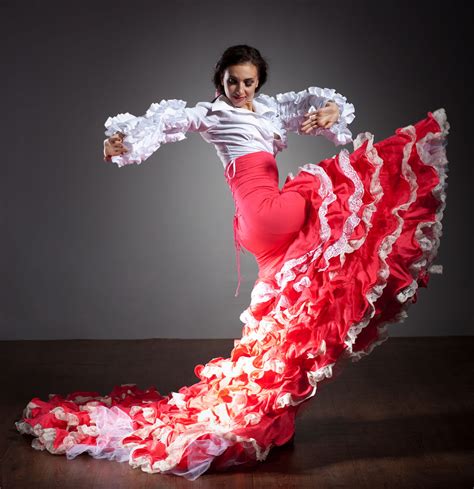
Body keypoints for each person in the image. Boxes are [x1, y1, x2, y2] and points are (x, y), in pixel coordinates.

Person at [15, 45, 449, 480]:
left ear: (259, 82)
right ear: (218, 80)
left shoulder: (272, 109)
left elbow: (314, 105)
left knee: (288, 308)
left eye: (248, 82)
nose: (240, 90)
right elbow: (165, 123)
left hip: (263, 225)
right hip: (266, 212)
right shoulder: (212, 113)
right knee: (345, 190)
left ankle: (270, 404)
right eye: (232, 82)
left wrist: (330, 113)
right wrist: (121, 142)